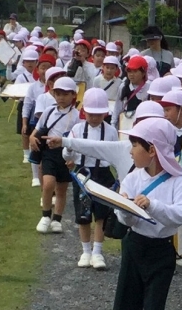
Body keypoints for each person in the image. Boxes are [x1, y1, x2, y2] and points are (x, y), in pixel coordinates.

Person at [114, 118, 182, 310]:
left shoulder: (176, 181)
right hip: (135, 245)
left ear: (153, 150)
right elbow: (122, 216)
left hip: (161, 249)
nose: (130, 150)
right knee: (130, 307)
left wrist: (153, 205)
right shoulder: (132, 177)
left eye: (135, 145)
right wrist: (125, 210)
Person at [63, 89, 119, 270]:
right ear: (84, 112)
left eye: (98, 114)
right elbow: (66, 152)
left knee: (101, 214)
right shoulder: (77, 129)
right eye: (90, 114)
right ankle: (85, 250)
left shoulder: (110, 131)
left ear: (105, 113)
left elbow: (114, 155)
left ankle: (97, 251)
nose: (94, 118)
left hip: (103, 174)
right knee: (83, 214)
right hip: (82, 174)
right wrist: (69, 151)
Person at [30, 77, 81, 234]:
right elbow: (38, 128)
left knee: (62, 188)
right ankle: (45, 215)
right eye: (58, 93)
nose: (61, 97)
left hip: (66, 153)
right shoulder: (49, 111)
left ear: (73, 95)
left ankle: (57, 219)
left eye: (65, 94)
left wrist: (73, 156)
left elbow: (78, 137)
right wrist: (32, 137)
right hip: (49, 152)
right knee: (48, 183)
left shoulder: (76, 115)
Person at [23, 53, 55, 187]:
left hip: (54, 124)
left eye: (49, 67)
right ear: (37, 69)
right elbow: (27, 104)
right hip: (37, 122)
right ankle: (35, 177)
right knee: (35, 148)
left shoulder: (57, 88)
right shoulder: (33, 87)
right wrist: (24, 123)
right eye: (43, 67)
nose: (45, 71)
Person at [14, 46, 38, 164]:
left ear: (36, 62)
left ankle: (34, 150)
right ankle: (25, 153)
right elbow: (17, 92)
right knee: (24, 130)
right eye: (27, 61)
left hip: (37, 105)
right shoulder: (21, 77)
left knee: (35, 129)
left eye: (32, 61)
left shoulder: (38, 76)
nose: (29, 64)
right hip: (24, 103)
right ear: (23, 63)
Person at [112, 55, 150, 129]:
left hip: (143, 126)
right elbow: (117, 108)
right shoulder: (123, 86)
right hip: (126, 124)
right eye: (129, 71)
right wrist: (113, 125)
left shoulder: (149, 88)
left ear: (143, 73)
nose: (131, 74)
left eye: (135, 71)